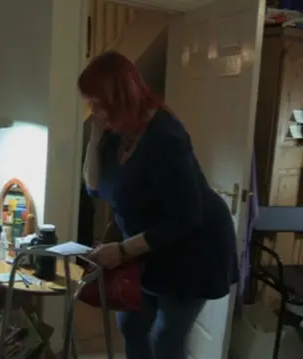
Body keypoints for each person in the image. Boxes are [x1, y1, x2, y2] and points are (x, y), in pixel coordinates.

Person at [79, 51, 238, 359]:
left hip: (194, 247)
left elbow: (186, 218)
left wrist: (122, 250)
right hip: (148, 246)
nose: (93, 110)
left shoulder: (165, 139)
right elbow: (94, 186)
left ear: (119, 97)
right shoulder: (114, 131)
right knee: (130, 322)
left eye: (98, 103)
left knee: (166, 337)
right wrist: (95, 135)